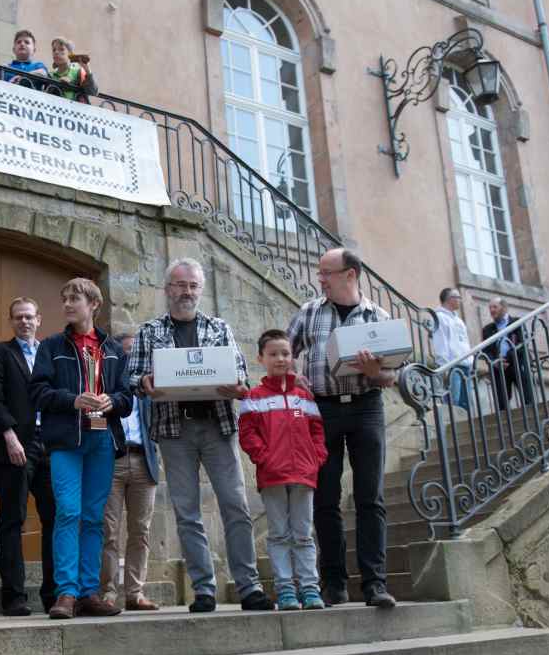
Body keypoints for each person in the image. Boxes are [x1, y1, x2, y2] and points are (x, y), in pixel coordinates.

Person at [128, 258, 275, 613]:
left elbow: (242, 376)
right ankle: (204, 590)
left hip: (217, 426)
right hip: (173, 430)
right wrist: (144, 382)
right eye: (180, 285)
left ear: (201, 290)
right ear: (168, 289)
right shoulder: (150, 331)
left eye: (193, 285)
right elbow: (132, 377)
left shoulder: (219, 327)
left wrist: (238, 387)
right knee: (186, 512)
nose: (187, 291)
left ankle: (249, 587)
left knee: (236, 505)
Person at [287, 248, 398, 609]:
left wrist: (375, 373)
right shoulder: (309, 312)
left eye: (326, 273)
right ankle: (333, 584)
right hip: (322, 410)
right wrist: (293, 375)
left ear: (350, 275)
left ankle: (375, 584)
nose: (320, 279)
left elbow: (391, 376)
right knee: (325, 498)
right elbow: (283, 354)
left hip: (367, 408)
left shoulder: (378, 317)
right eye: (320, 272)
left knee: (370, 497)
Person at [29, 279, 133, 619]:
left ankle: (89, 592)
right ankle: (66, 593)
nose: (68, 304)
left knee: (93, 518)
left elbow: (127, 398)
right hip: (66, 441)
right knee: (68, 512)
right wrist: (73, 400)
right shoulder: (51, 346)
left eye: (75, 298)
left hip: (103, 439)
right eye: (65, 299)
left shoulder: (113, 349)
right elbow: (37, 392)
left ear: (94, 305)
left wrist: (112, 400)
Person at [238, 330, 328, 611]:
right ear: (261, 358)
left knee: (303, 534)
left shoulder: (304, 398)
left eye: (285, 354)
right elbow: (248, 434)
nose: (280, 359)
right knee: (278, 534)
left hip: (304, 475)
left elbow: (316, 431)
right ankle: (286, 591)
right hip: (272, 476)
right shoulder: (253, 397)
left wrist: (316, 458)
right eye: (274, 354)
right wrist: (264, 458)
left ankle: (310, 590)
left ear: (292, 357)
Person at [0, 297, 58, 615]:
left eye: (29, 316)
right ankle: (14, 597)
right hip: (14, 444)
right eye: (18, 317)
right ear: (11, 321)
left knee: (56, 519)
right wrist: (10, 436)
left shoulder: (50, 354)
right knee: (12, 519)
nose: (24, 322)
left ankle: (54, 596)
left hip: (50, 446)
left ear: (39, 319)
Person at [98, 333, 161, 612]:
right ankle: (107, 593)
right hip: (111, 461)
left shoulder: (150, 390)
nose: (131, 359)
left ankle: (135, 593)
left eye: (136, 353)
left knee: (141, 530)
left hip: (143, 461)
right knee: (108, 531)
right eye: (126, 353)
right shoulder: (106, 386)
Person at [481, 296, 534, 410]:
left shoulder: (517, 322)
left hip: (517, 363)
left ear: (504, 308)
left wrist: (507, 359)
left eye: (495, 307)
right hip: (498, 367)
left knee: (528, 397)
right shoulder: (487, 329)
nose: (492, 310)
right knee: (501, 403)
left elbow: (523, 343)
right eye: (490, 308)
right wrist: (495, 361)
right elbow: (485, 351)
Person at [431, 287, 473, 409]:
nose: (460, 300)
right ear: (450, 299)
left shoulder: (459, 320)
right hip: (452, 365)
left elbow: (464, 342)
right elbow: (440, 343)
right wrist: (444, 366)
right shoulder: (439, 317)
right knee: (453, 402)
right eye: (458, 297)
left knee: (466, 404)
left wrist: (470, 361)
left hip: (465, 365)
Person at [47, 37, 98, 102]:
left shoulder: (78, 72)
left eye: (61, 49)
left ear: (70, 54)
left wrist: (88, 71)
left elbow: (93, 92)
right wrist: (58, 84)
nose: (56, 52)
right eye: (54, 50)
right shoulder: (50, 75)